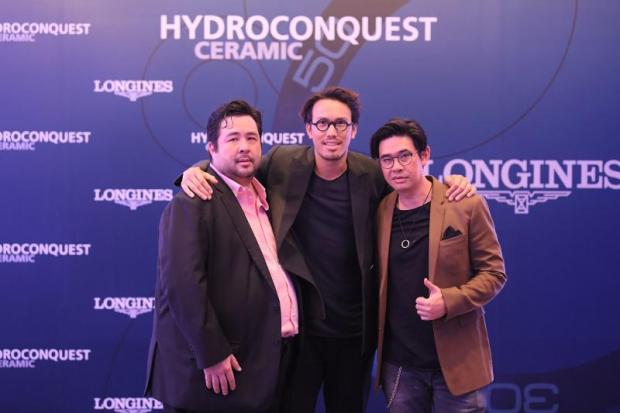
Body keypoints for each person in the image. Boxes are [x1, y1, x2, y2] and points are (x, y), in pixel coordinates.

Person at [179, 87, 474, 413]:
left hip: (355, 333)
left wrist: (451, 184)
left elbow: (415, 187)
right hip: (299, 334)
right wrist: (196, 170)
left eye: (340, 124)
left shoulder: (372, 174)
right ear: (309, 129)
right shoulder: (282, 163)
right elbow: (233, 167)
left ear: (354, 130)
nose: (331, 132)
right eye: (322, 123)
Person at [145, 100, 300, 413]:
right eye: (233, 139)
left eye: (252, 138)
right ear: (211, 148)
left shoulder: (268, 197)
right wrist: (211, 353)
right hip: (216, 374)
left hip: (266, 366)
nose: (244, 147)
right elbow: (182, 285)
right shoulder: (192, 203)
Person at [370, 118, 507, 412]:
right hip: (399, 365)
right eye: (387, 159)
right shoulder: (380, 210)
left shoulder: (465, 204)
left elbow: (494, 273)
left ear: (425, 155)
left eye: (404, 156)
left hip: (457, 362)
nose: (396, 167)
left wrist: (449, 300)